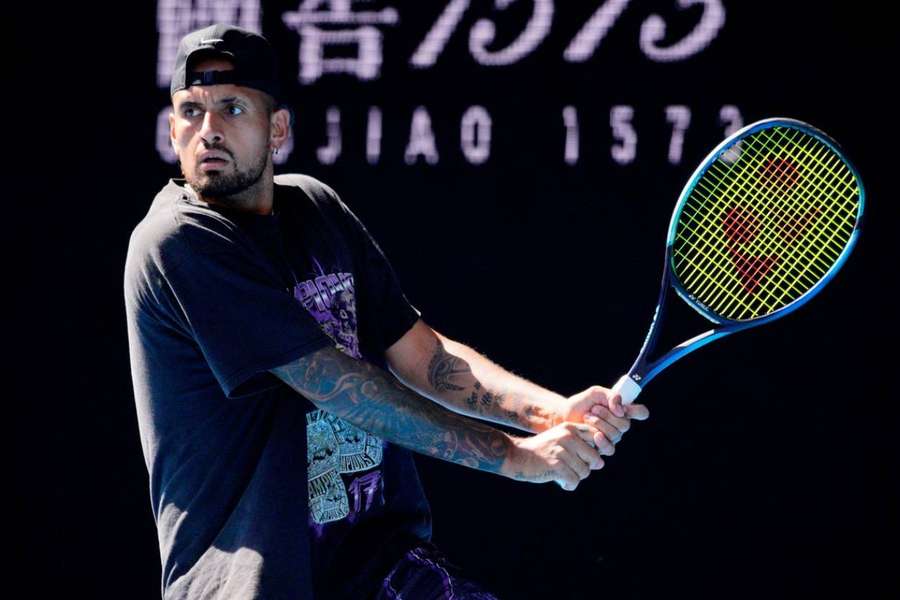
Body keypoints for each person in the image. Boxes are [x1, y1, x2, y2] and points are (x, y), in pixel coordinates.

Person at [124, 23, 649, 600]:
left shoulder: (315, 208)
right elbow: (336, 385)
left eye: (232, 108)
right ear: (172, 128)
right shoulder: (178, 241)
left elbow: (422, 353)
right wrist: (517, 459)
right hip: (256, 586)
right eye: (190, 111)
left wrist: (549, 414)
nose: (208, 131)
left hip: (381, 568)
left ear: (277, 128)